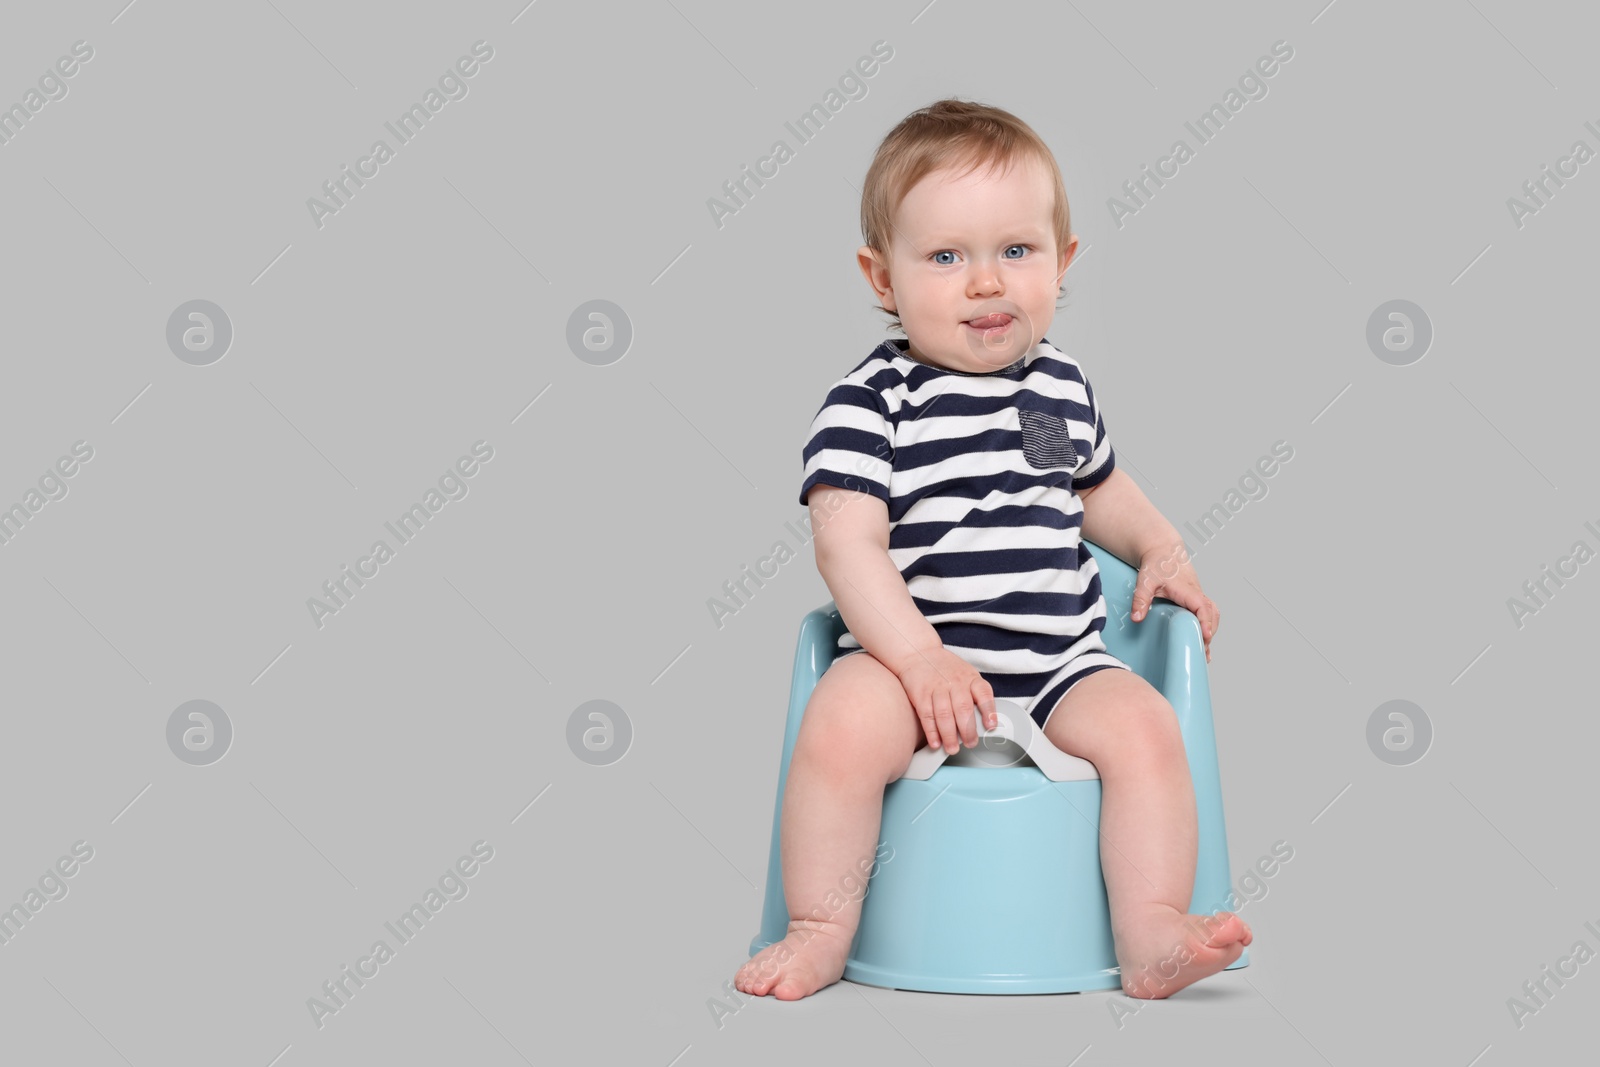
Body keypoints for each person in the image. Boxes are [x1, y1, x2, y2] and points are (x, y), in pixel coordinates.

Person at [734, 98, 1251, 1002]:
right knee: (842, 726)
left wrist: (1160, 545)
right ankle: (820, 922)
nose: (987, 283)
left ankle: (1151, 929)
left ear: (1064, 262)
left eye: (1016, 251)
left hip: (1055, 667)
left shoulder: (1051, 390)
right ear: (882, 276)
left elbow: (1091, 496)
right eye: (945, 257)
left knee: (1147, 732)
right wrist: (917, 656)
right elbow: (846, 543)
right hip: (909, 667)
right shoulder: (877, 400)